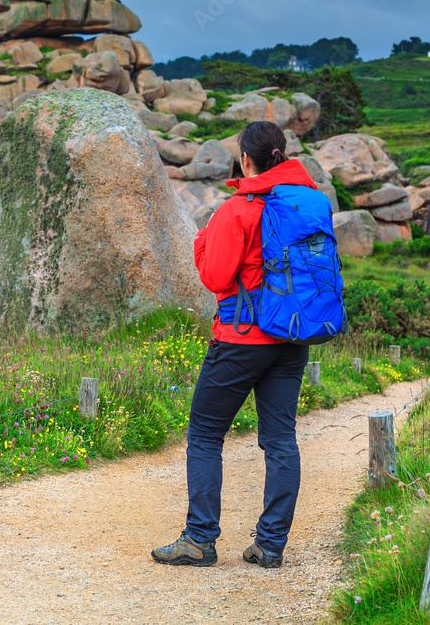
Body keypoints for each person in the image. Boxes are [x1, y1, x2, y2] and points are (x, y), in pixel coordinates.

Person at [152, 120, 317, 569]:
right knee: (281, 440)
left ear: (246, 160)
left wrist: (202, 241)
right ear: (281, 155)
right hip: (293, 337)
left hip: (241, 338)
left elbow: (215, 278)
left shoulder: (238, 209)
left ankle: (200, 540)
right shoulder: (308, 202)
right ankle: (270, 545)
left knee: (205, 435)